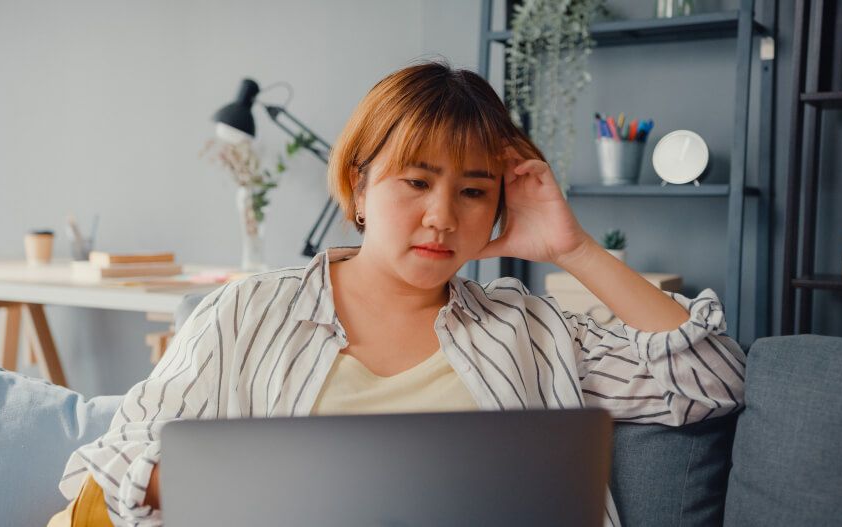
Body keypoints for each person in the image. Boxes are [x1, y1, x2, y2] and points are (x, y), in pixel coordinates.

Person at [51, 60, 746, 527]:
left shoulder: (531, 329)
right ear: (359, 185)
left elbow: (711, 380)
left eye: (473, 191)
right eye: (416, 182)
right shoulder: (247, 312)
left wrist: (574, 249)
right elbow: (108, 463)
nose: (443, 215)